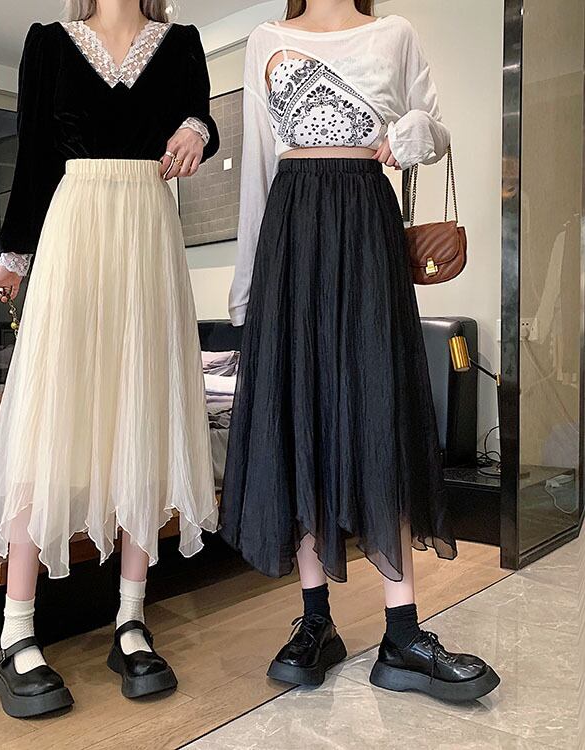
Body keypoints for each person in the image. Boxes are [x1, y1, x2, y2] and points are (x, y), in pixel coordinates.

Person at [220, 0, 500, 702]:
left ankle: (402, 633)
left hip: (368, 224)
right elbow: (257, 168)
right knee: (301, 415)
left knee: (382, 411)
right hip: (292, 228)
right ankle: (316, 621)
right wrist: (247, 293)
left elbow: (435, 129)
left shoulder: (394, 34)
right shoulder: (265, 39)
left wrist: (409, 134)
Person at [0, 0, 220, 718]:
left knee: (142, 415)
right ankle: (16, 634)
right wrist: (14, 256)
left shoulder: (182, 43)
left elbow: (200, 119)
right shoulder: (49, 43)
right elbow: (33, 155)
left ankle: (131, 621)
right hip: (74, 230)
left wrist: (196, 128)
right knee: (51, 417)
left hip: (148, 232)